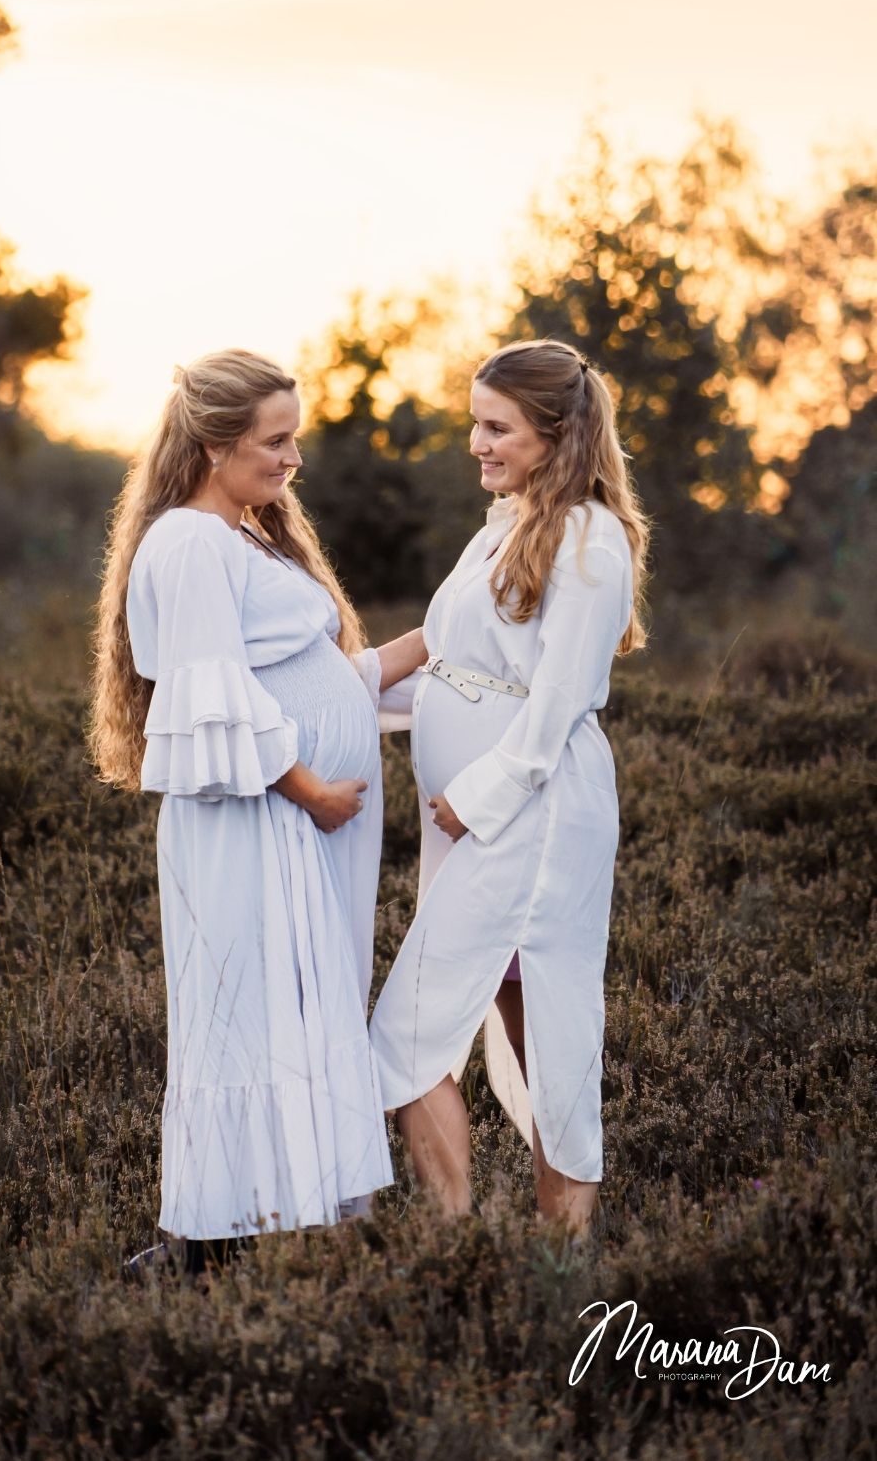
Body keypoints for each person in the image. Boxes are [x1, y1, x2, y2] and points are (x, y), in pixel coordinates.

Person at [88, 349, 396, 1272]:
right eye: (276, 440)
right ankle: (206, 1244)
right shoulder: (188, 542)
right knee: (247, 1016)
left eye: (294, 437)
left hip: (294, 824)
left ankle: (283, 1224)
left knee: (289, 1009)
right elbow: (208, 693)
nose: (293, 458)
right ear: (216, 445)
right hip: (255, 823)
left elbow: (305, 678)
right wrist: (311, 789)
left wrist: (445, 644)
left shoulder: (245, 535)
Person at [368, 338, 650, 1236]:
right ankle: (541, 1254)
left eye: (497, 428)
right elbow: (454, 661)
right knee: (528, 1026)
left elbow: (559, 698)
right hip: (474, 828)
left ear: (555, 432)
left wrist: (479, 796)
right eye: (476, 426)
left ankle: (482, 1250)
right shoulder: (506, 521)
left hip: (529, 820)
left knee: (416, 1037)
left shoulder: (590, 539)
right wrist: (333, 693)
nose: (477, 445)